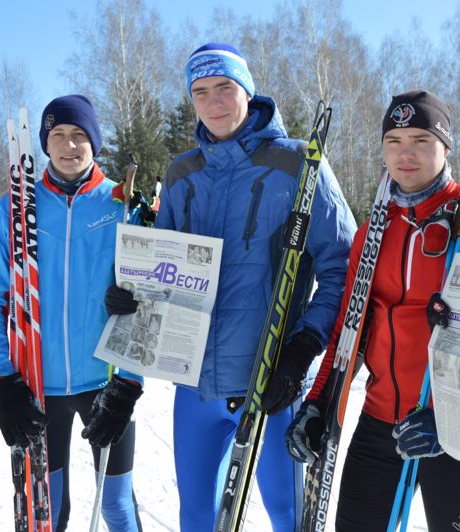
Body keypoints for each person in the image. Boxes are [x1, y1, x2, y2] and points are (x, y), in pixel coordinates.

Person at [108, 43, 356, 531]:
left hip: (271, 382)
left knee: (288, 515)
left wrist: (304, 345)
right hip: (196, 387)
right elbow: (161, 269)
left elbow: (343, 266)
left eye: (225, 87)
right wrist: (130, 296)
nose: (214, 102)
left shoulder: (299, 164)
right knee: (197, 518)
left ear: (248, 89)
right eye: (200, 92)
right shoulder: (183, 174)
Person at [287, 90, 460, 531]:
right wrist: (319, 400)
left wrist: (453, 418)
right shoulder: (372, 232)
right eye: (393, 141)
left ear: (446, 146)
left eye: (420, 140)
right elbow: (349, 329)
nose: (406, 154)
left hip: (454, 434)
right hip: (381, 422)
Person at [0, 95, 146, 531]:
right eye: (58, 136)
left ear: (95, 142)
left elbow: (151, 304)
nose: (69, 146)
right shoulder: (16, 210)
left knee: (118, 509)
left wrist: (131, 381)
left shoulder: (123, 205)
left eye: (79, 135)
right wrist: (1, 380)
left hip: (105, 381)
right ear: (44, 145)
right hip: (36, 385)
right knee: (47, 515)